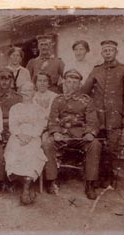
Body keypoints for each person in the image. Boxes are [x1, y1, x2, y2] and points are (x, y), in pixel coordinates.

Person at [81, 40, 124, 187]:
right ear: (102, 53)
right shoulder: (96, 70)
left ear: (116, 52)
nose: (108, 52)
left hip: (115, 117)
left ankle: (108, 177)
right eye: (105, 50)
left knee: (111, 148)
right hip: (97, 117)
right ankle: (96, 177)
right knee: (97, 147)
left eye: (111, 50)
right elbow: (84, 91)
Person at [42, 69, 101, 200]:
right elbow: (52, 119)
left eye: (75, 82)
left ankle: (90, 184)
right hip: (62, 135)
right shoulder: (58, 100)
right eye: (69, 82)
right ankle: (52, 180)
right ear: (64, 83)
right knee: (48, 143)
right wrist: (56, 132)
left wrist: (90, 133)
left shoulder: (87, 100)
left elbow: (92, 121)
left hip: (81, 136)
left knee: (95, 145)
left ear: (80, 84)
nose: (72, 85)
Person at [4, 82, 47, 205]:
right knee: (14, 150)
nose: (27, 93)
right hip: (17, 135)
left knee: (32, 152)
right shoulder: (15, 108)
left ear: (34, 92)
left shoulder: (39, 109)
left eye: (30, 90)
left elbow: (40, 126)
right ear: (20, 92)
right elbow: (12, 125)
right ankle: (25, 183)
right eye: (25, 90)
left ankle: (26, 188)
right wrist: (20, 135)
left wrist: (29, 137)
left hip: (33, 136)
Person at [0, 67, 23, 142]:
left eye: (7, 79)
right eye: (1, 79)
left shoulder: (18, 98)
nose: (4, 82)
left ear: (11, 80)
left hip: (13, 129)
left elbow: (20, 118)